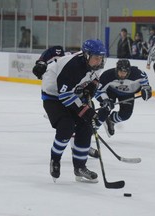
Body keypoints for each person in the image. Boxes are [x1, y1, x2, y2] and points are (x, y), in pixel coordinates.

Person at [41, 39, 106, 183]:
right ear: (87, 55)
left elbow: (94, 79)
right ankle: (55, 160)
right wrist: (87, 111)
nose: (99, 61)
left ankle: (80, 167)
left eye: (101, 57)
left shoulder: (96, 63)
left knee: (86, 126)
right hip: (53, 96)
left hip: (72, 93)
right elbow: (65, 96)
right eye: (96, 57)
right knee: (66, 126)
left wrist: (91, 89)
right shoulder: (73, 66)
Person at [95, 59, 152, 137]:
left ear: (129, 71)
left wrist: (146, 91)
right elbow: (98, 91)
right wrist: (105, 100)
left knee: (125, 115)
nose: (122, 74)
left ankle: (111, 120)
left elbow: (146, 85)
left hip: (128, 93)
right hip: (111, 91)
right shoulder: (107, 75)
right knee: (106, 108)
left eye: (124, 72)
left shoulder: (138, 73)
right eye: (120, 72)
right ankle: (94, 127)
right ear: (116, 69)